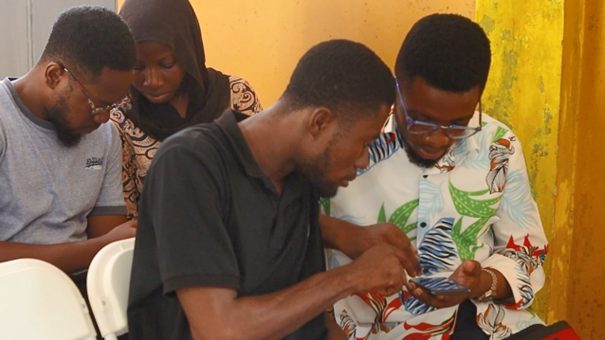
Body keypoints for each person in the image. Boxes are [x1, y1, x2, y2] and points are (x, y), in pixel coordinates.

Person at [128, 39, 421, 339]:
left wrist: (348, 237)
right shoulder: (190, 164)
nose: (363, 160)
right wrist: (350, 277)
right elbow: (219, 330)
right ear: (319, 122)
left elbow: (317, 323)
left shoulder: (299, 177)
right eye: (364, 142)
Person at [321, 14, 549, 339]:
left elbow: (526, 250)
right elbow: (282, 229)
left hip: (482, 323)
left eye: (458, 123)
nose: (437, 139)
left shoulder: (498, 145)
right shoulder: (341, 142)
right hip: (369, 330)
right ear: (395, 90)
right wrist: (342, 234)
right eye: (420, 120)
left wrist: (482, 282)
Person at [0, 6, 137, 275]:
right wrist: (94, 249)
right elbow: (102, 246)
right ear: (54, 76)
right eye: (97, 104)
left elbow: (109, 245)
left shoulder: (104, 135)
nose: (105, 118)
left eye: (113, 105)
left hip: (84, 293)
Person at [113, 0, 263, 218]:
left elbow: (265, 180)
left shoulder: (236, 96)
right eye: (138, 66)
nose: (152, 80)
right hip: (162, 247)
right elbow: (129, 219)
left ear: (188, 53)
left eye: (165, 64)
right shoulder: (120, 119)